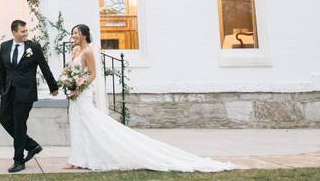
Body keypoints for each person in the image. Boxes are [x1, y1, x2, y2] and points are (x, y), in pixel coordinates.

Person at [64, 23, 236, 172]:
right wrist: (66, 81)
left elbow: (93, 74)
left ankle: (84, 158)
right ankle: (77, 159)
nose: (73, 36)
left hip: (83, 93)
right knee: (78, 125)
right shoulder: (75, 50)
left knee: (90, 123)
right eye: (72, 33)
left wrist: (79, 88)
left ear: (84, 35)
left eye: (76, 33)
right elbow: (71, 70)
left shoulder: (88, 52)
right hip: (74, 93)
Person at [0, 19, 59, 173]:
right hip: (8, 92)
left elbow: (44, 67)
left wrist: (53, 86)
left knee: (19, 125)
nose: (26, 33)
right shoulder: (4, 46)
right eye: (22, 31)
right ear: (14, 32)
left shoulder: (34, 47)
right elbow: (3, 69)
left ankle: (19, 161)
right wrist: (1, 88)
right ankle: (32, 146)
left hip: (25, 93)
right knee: (4, 120)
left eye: (26, 31)